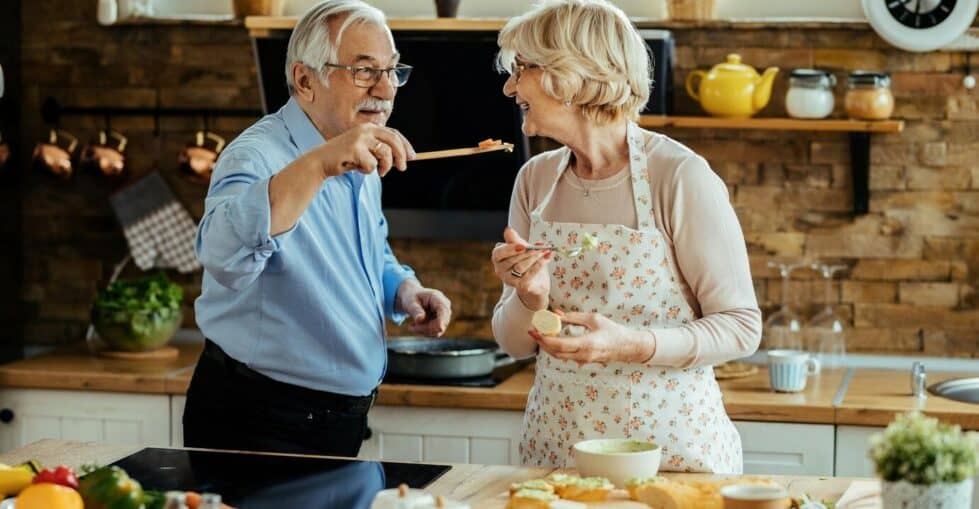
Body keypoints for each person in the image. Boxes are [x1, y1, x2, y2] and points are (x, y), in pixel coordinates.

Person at [490, 0, 761, 473]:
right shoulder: (534, 180)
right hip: (558, 456)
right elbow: (513, 344)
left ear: (569, 74)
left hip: (674, 459)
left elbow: (741, 326)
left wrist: (631, 344)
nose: (511, 86)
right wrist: (529, 297)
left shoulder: (678, 176)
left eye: (521, 68)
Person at [184, 0, 452, 457]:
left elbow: (366, 249)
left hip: (336, 421)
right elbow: (221, 256)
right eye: (365, 71)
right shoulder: (255, 156)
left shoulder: (357, 145)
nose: (386, 90)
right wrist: (320, 164)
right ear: (305, 79)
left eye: (392, 71)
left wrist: (402, 289)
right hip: (260, 418)